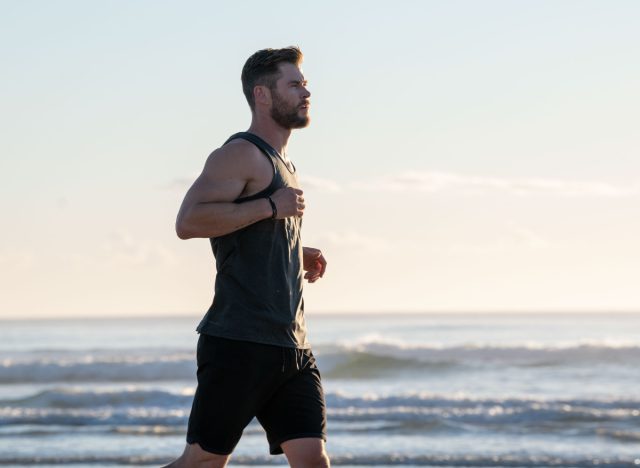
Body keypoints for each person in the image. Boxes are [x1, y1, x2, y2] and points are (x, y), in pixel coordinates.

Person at [164, 47, 330, 468]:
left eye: (304, 84)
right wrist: (271, 209)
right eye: (293, 84)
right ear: (262, 94)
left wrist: (293, 251)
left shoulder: (283, 162)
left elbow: (248, 228)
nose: (305, 92)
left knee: (312, 459)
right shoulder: (241, 153)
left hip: (291, 343)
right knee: (202, 462)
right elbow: (189, 221)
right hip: (240, 341)